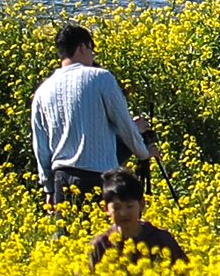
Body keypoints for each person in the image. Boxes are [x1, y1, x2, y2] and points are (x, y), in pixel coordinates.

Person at [28, 23, 154, 200]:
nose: (92, 55)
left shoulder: (42, 90)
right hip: (98, 178)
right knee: (102, 228)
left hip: (61, 180)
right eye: (91, 49)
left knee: (68, 227)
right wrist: (144, 152)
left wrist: (48, 188)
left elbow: (41, 145)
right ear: (81, 47)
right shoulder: (100, 78)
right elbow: (125, 126)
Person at [85, 166, 189, 267]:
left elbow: (185, 272)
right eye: (117, 208)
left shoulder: (161, 239)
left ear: (142, 204)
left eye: (129, 206)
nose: (123, 213)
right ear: (106, 209)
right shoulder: (100, 245)